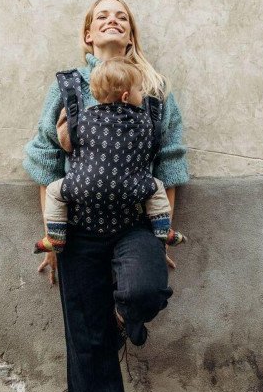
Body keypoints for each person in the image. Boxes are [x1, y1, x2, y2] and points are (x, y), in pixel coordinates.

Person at [23, 0, 190, 392]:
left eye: (121, 16)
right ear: (88, 36)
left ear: (131, 34)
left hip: (135, 224)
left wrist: (161, 234)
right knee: (88, 343)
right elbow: (45, 161)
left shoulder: (155, 90)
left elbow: (170, 163)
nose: (112, 20)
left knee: (146, 290)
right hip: (79, 231)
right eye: (102, 16)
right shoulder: (67, 88)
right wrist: (53, 238)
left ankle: (122, 321)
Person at [33, 58, 187, 254]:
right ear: (126, 96)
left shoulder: (81, 119)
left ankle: (55, 236)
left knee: (54, 191)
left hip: (83, 186)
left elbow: (66, 144)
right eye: (140, 90)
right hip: (132, 189)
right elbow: (157, 149)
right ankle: (163, 230)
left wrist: (65, 118)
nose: (142, 94)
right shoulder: (146, 121)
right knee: (156, 188)